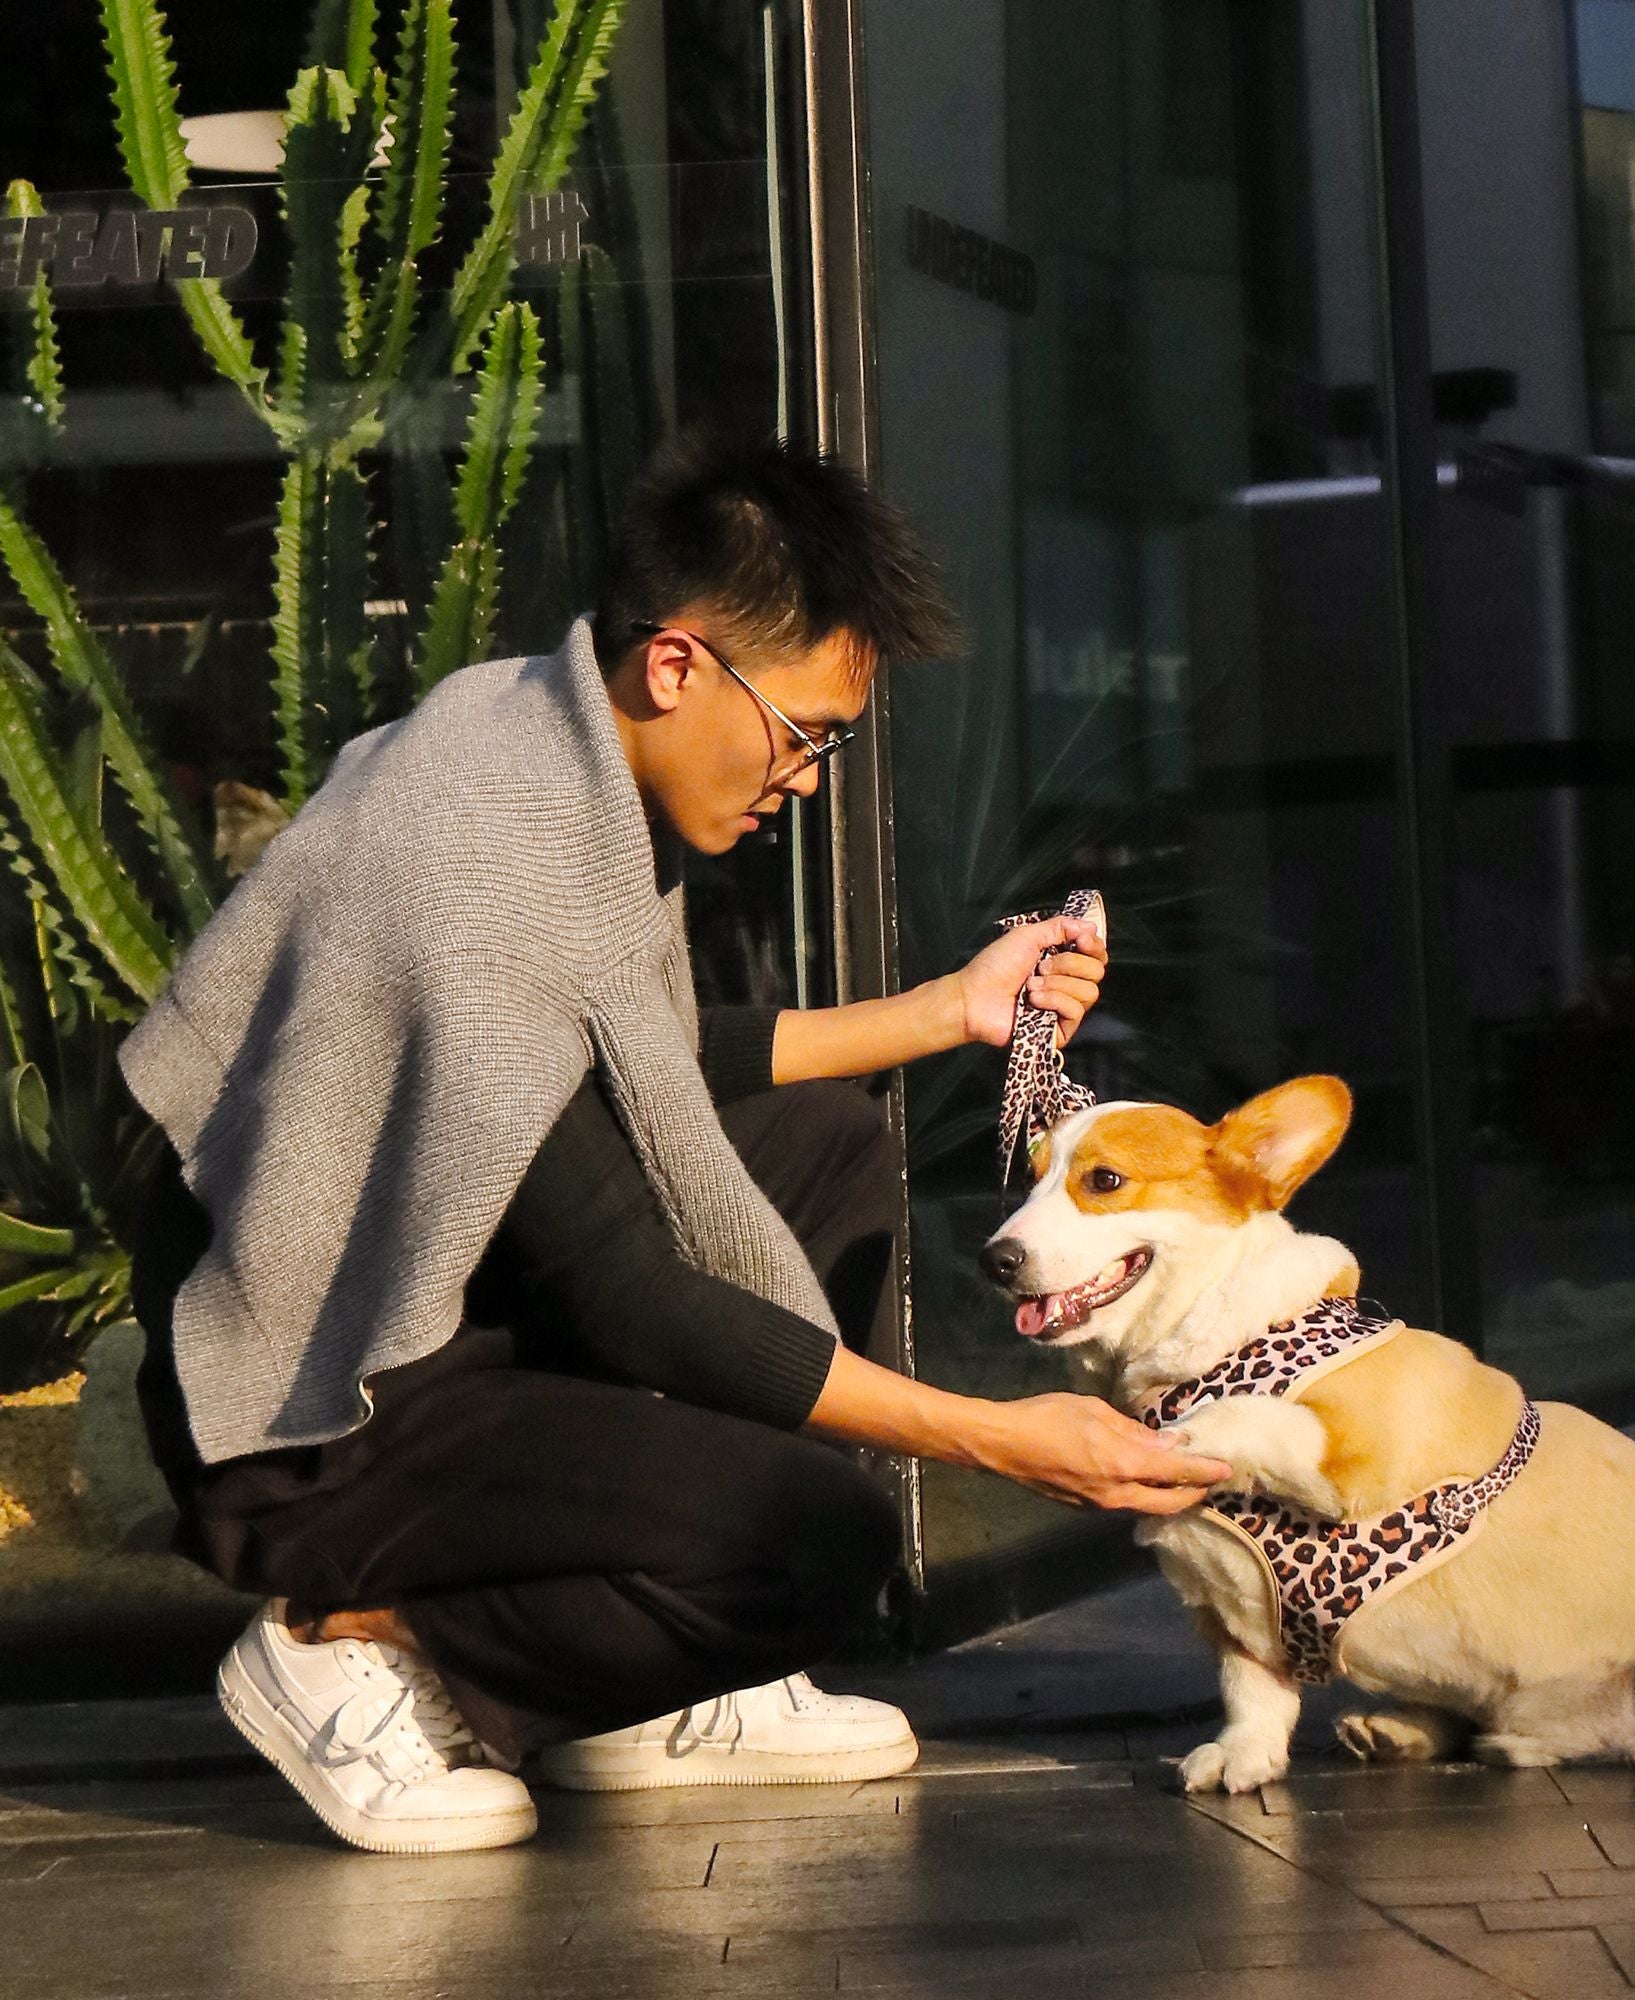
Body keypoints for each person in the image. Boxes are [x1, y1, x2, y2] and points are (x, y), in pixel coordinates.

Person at [121, 435, 1229, 1856]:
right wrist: (1000, 1442)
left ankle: (635, 1684)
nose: (810, 780)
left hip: (416, 1293)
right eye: (806, 734)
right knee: (818, 1539)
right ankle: (367, 1650)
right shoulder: (484, 860)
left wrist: (951, 1010)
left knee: (822, 1151)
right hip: (312, 1402)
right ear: (679, 665)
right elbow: (626, 1293)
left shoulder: (546, 735)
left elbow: (633, 1059)